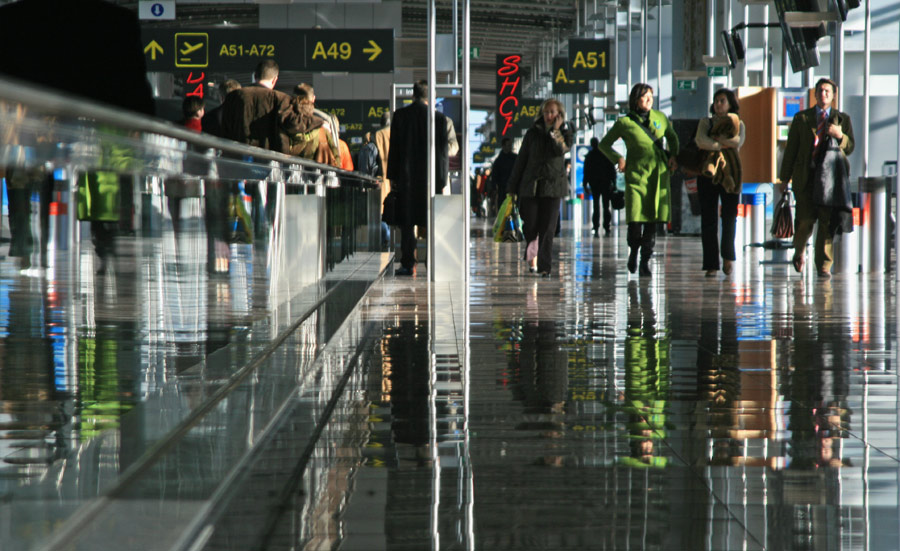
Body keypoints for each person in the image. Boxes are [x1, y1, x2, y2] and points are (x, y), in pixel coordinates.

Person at [0, 0, 154, 117]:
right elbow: (138, 103)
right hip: (100, 137)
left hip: (20, 133)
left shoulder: (8, 21)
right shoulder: (117, 22)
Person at [599, 83, 679, 277]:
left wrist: (673, 156)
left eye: (651, 96)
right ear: (635, 100)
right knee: (635, 220)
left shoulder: (660, 118)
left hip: (658, 175)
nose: (649, 100)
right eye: (644, 97)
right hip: (635, 176)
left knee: (652, 222)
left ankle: (645, 261)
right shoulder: (625, 123)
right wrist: (618, 158)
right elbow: (604, 144)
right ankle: (633, 251)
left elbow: (673, 138)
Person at [779, 77, 855, 279]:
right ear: (815, 94)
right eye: (820, 91)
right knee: (805, 221)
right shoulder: (801, 119)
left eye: (827, 91)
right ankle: (800, 250)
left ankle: (823, 265)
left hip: (830, 179)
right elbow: (791, 151)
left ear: (833, 95)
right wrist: (784, 178)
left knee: (826, 222)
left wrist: (840, 136)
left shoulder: (842, 119)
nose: (823, 94)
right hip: (805, 177)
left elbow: (850, 147)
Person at [387, 80, 452, 276]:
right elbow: (442, 155)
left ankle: (408, 263)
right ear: (430, 97)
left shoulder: (400, 116)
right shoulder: (439, 119)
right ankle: (432, 263)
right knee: (431, 221)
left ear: (413, 95)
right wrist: (441, 181)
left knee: (407, 223)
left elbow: (394, 150)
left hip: (406, 179)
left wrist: (392, 177)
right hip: (430, 180)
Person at [505, 98, 574, 277]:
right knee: (530, 225)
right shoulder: (531, 133)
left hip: (553, 187)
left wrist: (556, 131)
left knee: (548, 228)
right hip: (531, 186)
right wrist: (512, 186)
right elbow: (521, 160)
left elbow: (561, 150)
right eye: (546, 112)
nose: (549, 115)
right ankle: (532, 246)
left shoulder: (566, 132)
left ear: (559, 115)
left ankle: (544, 267)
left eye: (553, 112)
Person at [695, 88, 745, 277]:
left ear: (731, 103)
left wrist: (717, 141)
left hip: (731, 175)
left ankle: (728, 257)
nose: (718, 104)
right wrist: (723, 144)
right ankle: (710, 264)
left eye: (722, 100)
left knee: (729, 218)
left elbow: (739, 141)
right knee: (708, 220)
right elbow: (701, 141)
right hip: (707, 175)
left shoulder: (738, 123)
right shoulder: (705, 123)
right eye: (716, 101)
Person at [221, 59, 292, 153]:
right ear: (275, 79)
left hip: (237, 158)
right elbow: (283, 136)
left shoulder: (233, 96)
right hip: (268, 159)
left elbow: (225, 129)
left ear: (255, 76)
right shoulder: (281, 99)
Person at [280, 84, 339, 166]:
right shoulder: (325, 121)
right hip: (317, 174)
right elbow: (336, 154)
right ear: (313, 99)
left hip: (287, 173)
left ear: (293, 99)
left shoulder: (283, 119)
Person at [583, 137, 618, 237]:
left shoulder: (590, 156)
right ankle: (606, 226)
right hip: (605, 183)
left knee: (596, 206)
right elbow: (612, 170)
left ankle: (596, 226)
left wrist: (585, 184)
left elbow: (586, 172)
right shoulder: (605, 155)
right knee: (606, 206)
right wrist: (614, 183)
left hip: (595, 184)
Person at [490, 138, 517, 215]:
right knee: (504, 209)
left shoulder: (514, 158)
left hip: (513, 188)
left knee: (512, 209)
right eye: (508, 145)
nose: (510, 147)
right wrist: (494, 188)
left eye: (510, 145)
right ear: (503, 146)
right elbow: (494, 176)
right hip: (503, 189)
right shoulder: (499, 161)